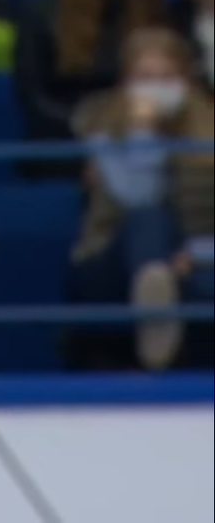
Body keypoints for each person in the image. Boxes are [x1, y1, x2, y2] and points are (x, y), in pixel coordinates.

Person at [67, 27, 213, 373]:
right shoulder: (103, 132)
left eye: (166, 77)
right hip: (110, 261)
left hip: (193, 260)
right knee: (148, 216)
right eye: (145, 77)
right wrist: (143, 130)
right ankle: (154, 285)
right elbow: (137, 194)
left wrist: (193, 255)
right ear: (126, 84)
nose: (156, 88)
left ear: (187, 82)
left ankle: (159, 290)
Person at [13, 0, 165, 176]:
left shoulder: (155, 15)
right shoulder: (42, 12)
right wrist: (93, 133)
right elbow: (34, 97)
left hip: (137, 141)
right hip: (63, 143)